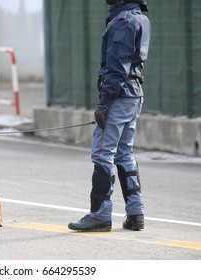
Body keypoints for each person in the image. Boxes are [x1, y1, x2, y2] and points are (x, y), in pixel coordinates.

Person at [68, 0, 151, 232]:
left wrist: (104, 103)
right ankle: (136, 213)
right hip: (133, 94)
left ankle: (100, 215)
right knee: (124, 154)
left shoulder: (123, 21)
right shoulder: (139, 18)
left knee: (103, 154)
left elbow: (117, 66)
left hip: (119, 95)